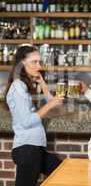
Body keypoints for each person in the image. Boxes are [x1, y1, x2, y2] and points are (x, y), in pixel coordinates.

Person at [4, 45, 64, 186]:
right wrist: (50, 105)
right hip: (27, 149)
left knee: (63, 171)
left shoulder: (25, 85)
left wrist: (42, 83)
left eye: (40, 62)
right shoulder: (18, 86)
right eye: (34, 62)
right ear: (22, 63)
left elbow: (56, 103)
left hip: (35, 149)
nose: (39, 66)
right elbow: (26, 121)